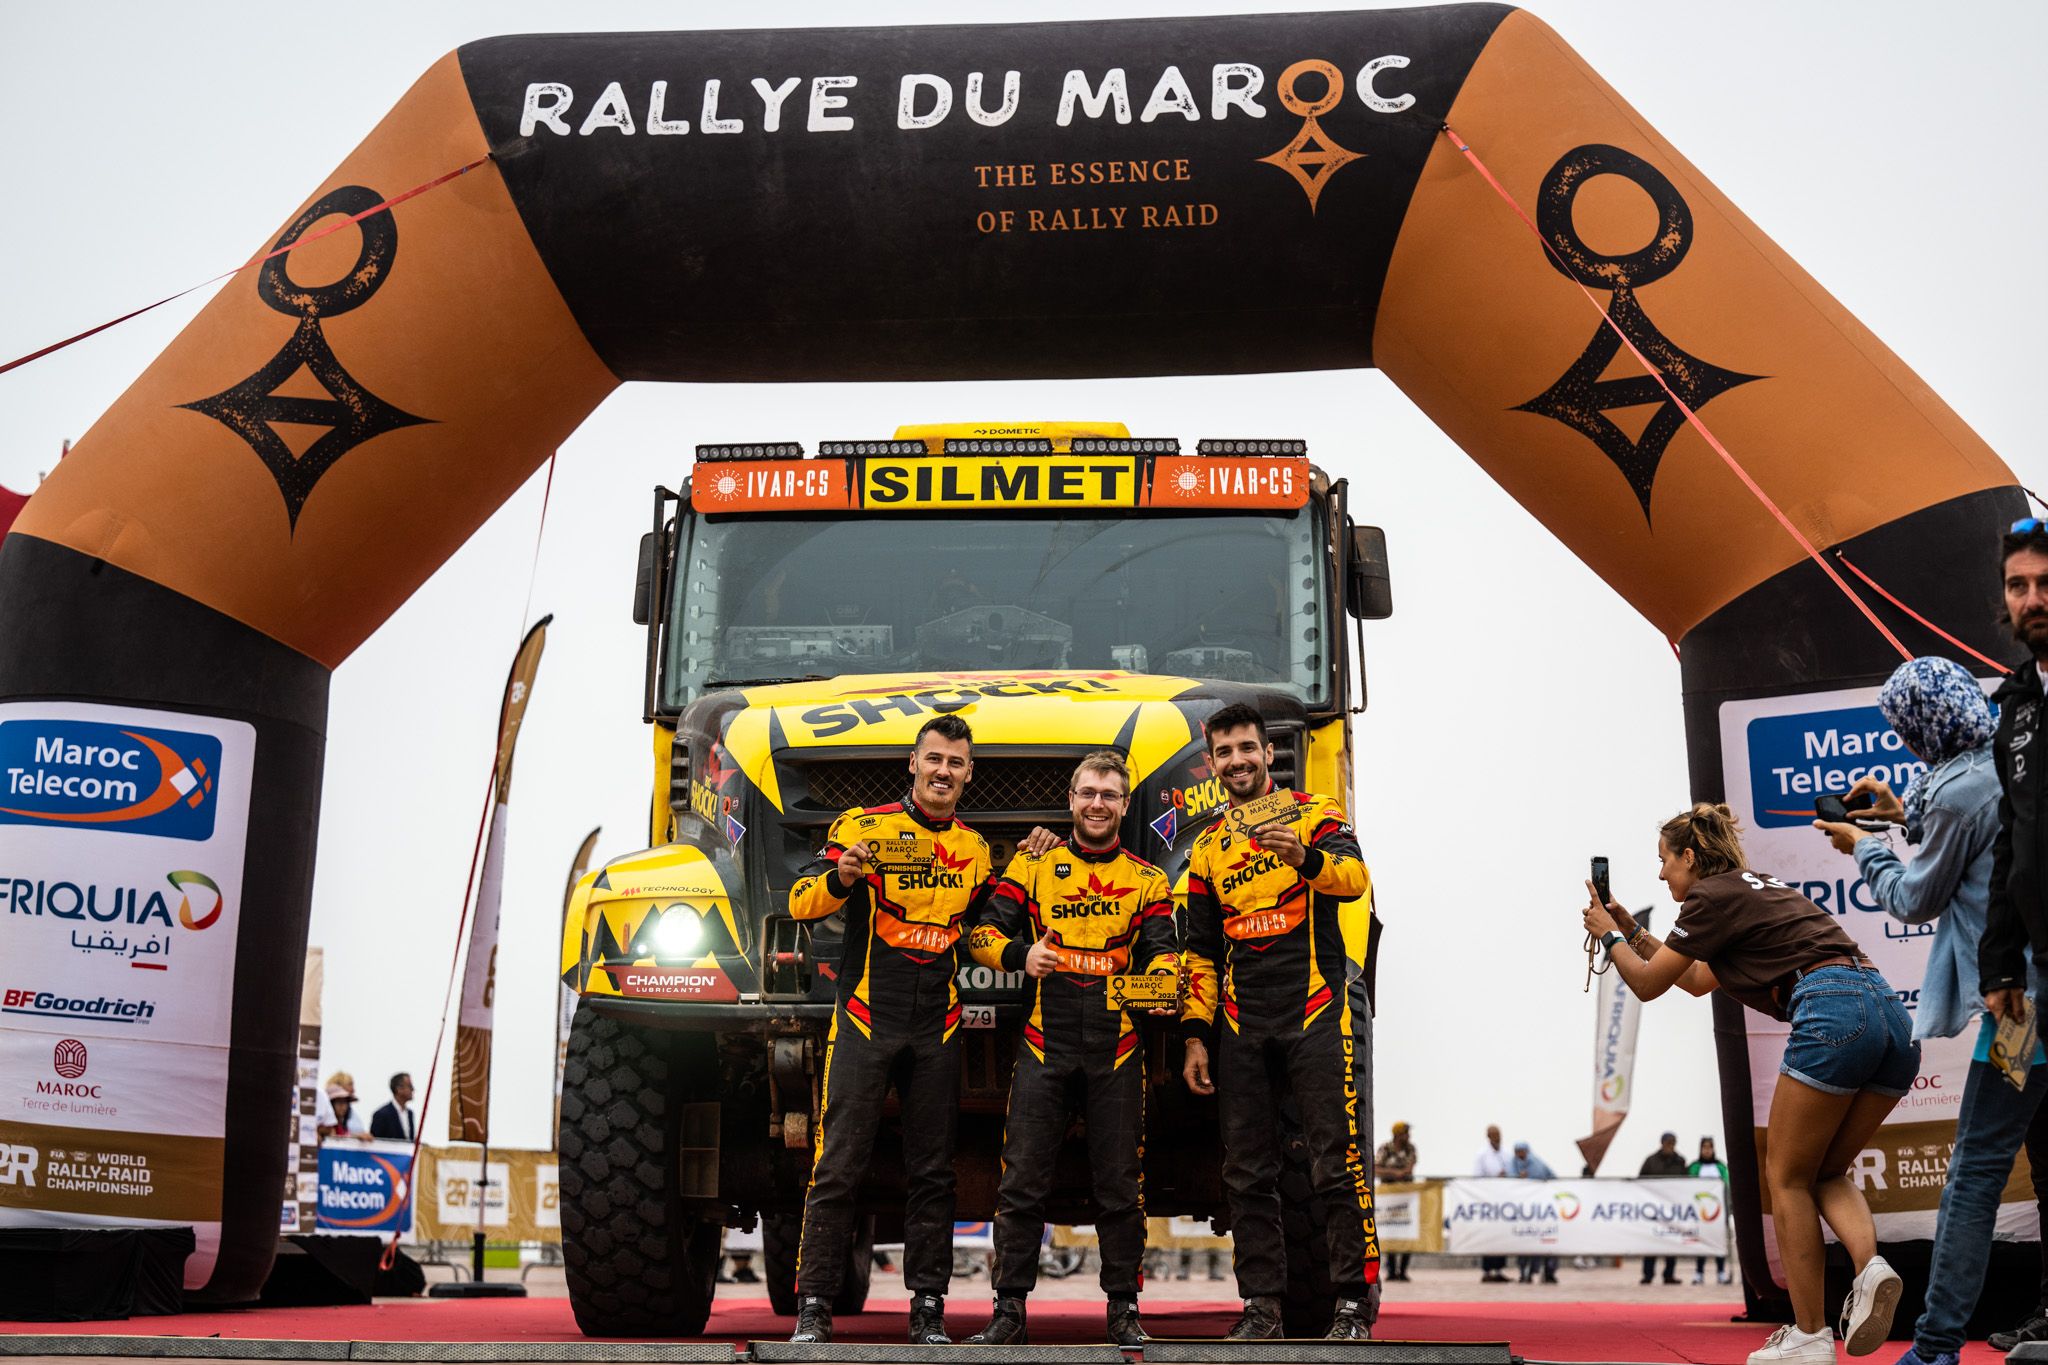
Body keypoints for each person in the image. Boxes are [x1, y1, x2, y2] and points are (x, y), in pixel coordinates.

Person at [1582, 804, 1917, 1364]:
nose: (1660, 874)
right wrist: (1632, 929)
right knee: (1824, 1171)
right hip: (1891, 1017)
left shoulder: (1708, 899)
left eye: (1664, 860)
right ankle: (1870, 1268)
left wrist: (1610, 938)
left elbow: (1647, 985)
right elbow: (1694, 978)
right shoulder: (1753, 889)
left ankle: (1809, 1335)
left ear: (1691, 857)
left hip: (1833, 1009)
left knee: (1784, 1177)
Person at [1806, 656, 2009, 1365]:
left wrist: (1865, 845)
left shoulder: (1956, 792)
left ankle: (1934, 1347)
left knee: (1974, 1173)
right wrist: (1900, 812)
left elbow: (1913, 898)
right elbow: (1965, 814)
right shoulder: (2009, 756)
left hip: (2023, 1012)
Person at [784, 714, 994, 1346]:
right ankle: (814, 1307)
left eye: (955, 763)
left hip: (939, 1027)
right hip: (865, 1018)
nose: (943, 771)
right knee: (838, 1165)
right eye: (934, 759)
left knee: (934, 1173)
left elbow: (987, 928)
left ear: (969, 773)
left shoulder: (976, 849)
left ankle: (928, 1310)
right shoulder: (862, 827)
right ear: (913, 762)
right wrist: (843, 875)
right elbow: (800, 901)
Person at [961, 751, 1178, 1348]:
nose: (1097, 804)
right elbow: (981, 935)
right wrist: (1019, 955)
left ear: (1125, 804)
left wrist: (1162, 982)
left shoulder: (1148, 879)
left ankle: (1124, 1311)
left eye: (1109, 795)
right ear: (1072, 800)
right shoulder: (1034, 867)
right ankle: (1008, 1312)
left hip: (1118, 1050)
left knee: (1120, 1186)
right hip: (1043, 1046)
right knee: (1020, 1184)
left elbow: (1163, 952)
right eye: (1088, 793)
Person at [1180, 702, 1380, 1340]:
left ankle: (1352, 1304)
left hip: (1315, 1011)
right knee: (1246, 1173)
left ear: (1269, 754)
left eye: (1247, 748)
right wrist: (1195, 1035)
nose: (1237, 761)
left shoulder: (1317, 813)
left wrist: (1305, 859)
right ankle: (1261, 1307)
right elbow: (1200, 951)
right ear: (1212, 764)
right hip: (1242, 1025)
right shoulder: (1207, 846)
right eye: (1225, 752)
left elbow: (1355, 879)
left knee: (1335, 1161)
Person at [1904, 521, 2048, 1362]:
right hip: (2027, 1000)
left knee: (1977, 1165)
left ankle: (1934, 1347)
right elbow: (2014, 855)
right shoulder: (2017, 709)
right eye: (2017, 584)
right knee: (1981, 1162)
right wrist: (1999, 968)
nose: (2031, 599)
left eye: (2044, 583)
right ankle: (1935, 1347)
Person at [1638, 1133, 1688, 1285]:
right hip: (1653, 1209)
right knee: (1651, 1242)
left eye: (1673, 1143)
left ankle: (1669, 1274)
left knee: (1671, 1241)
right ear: (1662, 1143)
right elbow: (1641, 1180)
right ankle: (1648, 1275)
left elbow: (1687, 1183)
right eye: (1668, 1142)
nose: (1670, 1145)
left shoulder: (1680, 1161)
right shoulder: (1650, 1160)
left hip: (1672, 1209)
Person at [1373, 1123, 1417, 1283]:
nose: (1408, 1136)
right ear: (1398, 1134)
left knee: (1408, 1230)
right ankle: (1391, 1270)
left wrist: (1401, 1173)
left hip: (1406, 1196)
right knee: (1390, 1230)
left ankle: (1403, 1270)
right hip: (1389, 1197)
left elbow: (1410, 1168)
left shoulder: (1410, 1149)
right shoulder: (1385, 1148)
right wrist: (1394, 1173)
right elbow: (1376, 1168)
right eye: (1406, 1133)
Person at [1508, 1143, 1558, 1284]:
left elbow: (1551, 1177)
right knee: (1524, 1244)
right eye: (1517, 1151)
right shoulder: (1513, 1164)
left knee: (1546, 1242)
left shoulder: (1536, 1163)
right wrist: (1518, 1178)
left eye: (1521, 1151)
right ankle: (1525, 1273)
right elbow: (1509, 1180)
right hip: (1523, 1212)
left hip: (1540, 1211)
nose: (1519, 1154)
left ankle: (1547, 1272)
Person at [1689, 1138, 1731, 1285]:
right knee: (1701, 1243)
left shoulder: (1720, 1167)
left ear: (1713, 1149)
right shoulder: (1694, 1167)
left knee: (1718, 1242)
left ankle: (1721, 1272)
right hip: (1700, 1212)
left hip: (1717, 1213)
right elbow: (1688, 1186)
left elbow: (1726, 1186)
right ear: (1700, 1149)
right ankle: (1699, 1273)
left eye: (1709, 1147)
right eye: (1704, 1147)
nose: (1707, 1150)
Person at [1472, 1126, 1511, 1283]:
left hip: (1503, 1201)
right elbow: (1477, 1177)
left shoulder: (1506, 1153)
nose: (1497, 1137)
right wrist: (1495, 1177)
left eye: (1499, 1134)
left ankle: (1499, 1270)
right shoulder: (1482, 1155)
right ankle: (1487, 1270)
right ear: (1488, 1137)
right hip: (1488, 1201)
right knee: (1488, 1235)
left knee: (1502, 1235)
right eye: (1494, 1135)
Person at [317, 1076, 367, 1142]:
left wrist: (357, 1137)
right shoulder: (323, 1127)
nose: (344, 1107)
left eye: (346, 1102)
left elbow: (342, 1137)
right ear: (330, 1104)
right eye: (339, 1102)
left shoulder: (341, 1126)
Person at [370, 1072, 416, 1141]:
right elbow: (375, 1141)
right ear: (399, 1089)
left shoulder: (410, 1114)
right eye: (410, 1086)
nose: (413, 1089)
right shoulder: (382, 1114)